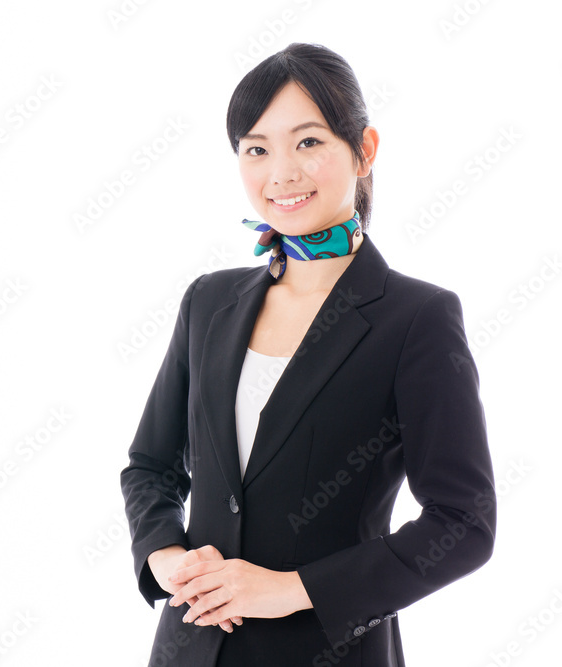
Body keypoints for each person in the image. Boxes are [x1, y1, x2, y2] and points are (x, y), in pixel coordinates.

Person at [119, 42, 496, 666]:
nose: (282, 173)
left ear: (364, 150)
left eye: (309, 142)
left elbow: (463, 524)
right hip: (188, 650)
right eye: (256, 149)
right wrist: (167, 558)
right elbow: (150, 467)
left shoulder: (416, 318)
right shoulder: (208, 303)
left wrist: (290, 590)